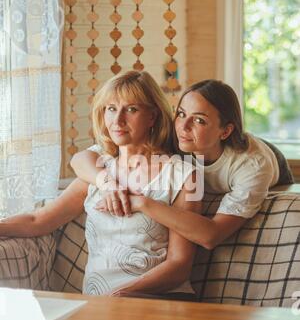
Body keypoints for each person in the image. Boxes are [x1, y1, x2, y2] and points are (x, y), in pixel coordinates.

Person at [0, 71, 201, 299]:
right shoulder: (99, 168)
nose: (118, 121)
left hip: (158, 299)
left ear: (152, 116)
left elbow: (179, 264)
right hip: (100, 306)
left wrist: (124, 293)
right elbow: (39, 220)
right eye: (111, 109)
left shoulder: (183, 175)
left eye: (131, 109)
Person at [71, 79, 294, 250]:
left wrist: (142, 203)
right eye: (181, 114)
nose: (184, 126)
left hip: (277, 169)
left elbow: (211, 236)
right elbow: (82, 159)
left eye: (199, 120)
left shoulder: (252, 166)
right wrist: (107, 183)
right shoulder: (179, 138)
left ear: (225, 131)